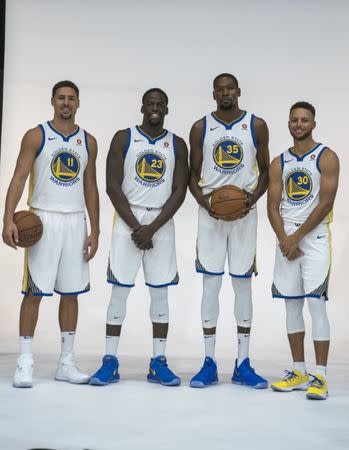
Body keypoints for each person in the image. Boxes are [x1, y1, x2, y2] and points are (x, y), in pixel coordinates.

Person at [2, 80, 99, 388]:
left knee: (70, 293)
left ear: (79, 103)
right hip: (41, 220)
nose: (66, 103)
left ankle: (66, 363)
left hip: (74, 221)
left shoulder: (89, 141)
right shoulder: (36, 135)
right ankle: (25, 361)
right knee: (34, 292)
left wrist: (94, 229)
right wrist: (7, 219)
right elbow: (18, 178)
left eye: (71, 98)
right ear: (52, 102)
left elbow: (91, 187)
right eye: (61, 98)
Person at [89, 88, 188, 386]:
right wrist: (136, 227)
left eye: (160, 104)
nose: (155, 108)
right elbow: (111, 186)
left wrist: (152, 227)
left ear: (167, 109)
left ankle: (158, 361)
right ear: (142, 107)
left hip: (161, 221)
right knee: (119, 291)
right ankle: (109, 360)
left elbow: (180, 190)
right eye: (150, 103)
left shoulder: (177, 144)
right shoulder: (123, 137)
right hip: (128, 220)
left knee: (160, 293)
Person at [189, 73, 270, 388]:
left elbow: (265, 172)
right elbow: (191, 175)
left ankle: (243, 362)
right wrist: (206, 202)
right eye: (220, 89)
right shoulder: (201, 127)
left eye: (230, 88)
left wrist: (251, 199)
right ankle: (208, 362)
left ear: (238, 91)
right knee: (210, 285)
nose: (225, 93)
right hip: (210, 217)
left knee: (242, 285)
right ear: (213, 94)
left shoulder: (256, 125)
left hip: (244, 215)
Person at [268, 101, 339, 400]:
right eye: (294, 120)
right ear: (288, 123)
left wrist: (296, 237)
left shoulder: (327, 157)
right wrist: (285, 237)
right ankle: (298, 370)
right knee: (291, 305)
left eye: (304, 120)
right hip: (287, 240)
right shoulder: (279, 161)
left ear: (313, 123)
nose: (299, 124)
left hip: (313, 238)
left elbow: (325, 203)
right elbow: (272, 204)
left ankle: (319, 376)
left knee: (316, 304)